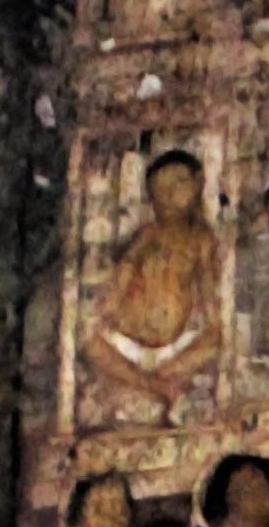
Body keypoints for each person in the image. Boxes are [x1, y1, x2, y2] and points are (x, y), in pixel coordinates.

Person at [87, 151, 227, 419]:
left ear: (198, 182)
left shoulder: (201, 239)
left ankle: (154, 382)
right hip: (126, 341)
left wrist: (209, 327)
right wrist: (109, 308)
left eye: (178, 182)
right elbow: (122, 274)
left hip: (171, 351)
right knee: (90, 343)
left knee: (216, 341)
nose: (168, 194)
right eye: (159, 189)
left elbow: (209, 297)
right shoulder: (148, 233)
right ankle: (152, 385)